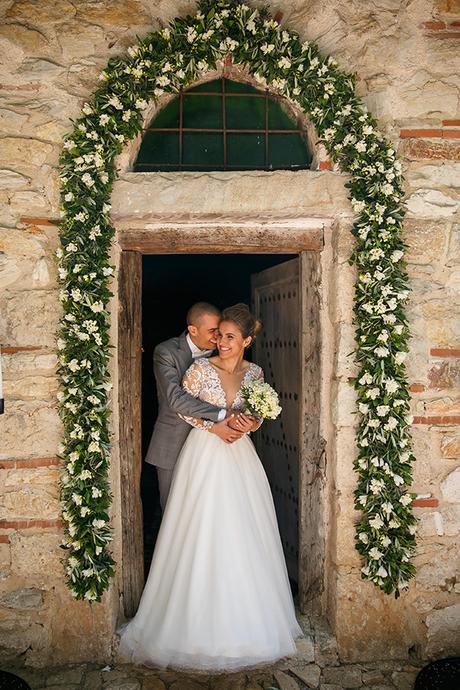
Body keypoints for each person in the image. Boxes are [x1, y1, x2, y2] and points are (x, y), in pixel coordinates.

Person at [119, 304, 302, 671]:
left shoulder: (256, 372)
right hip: (202, 453)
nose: (220, 341)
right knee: (194, 528)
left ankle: (246, 617)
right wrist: (215, 426)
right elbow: (182, 408)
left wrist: (250, 424)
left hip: (240, 457)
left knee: (241, 529)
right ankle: (187, 617)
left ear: (247, 341)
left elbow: (258, 410)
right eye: (218, 334)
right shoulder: (197, 367)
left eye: (229, 336)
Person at [144, 301, 251, 510]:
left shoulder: (222, 353)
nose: (217, 338)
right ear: (193, 330)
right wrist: (222, 414)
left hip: (213, 447)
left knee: (208, 510)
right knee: (173, 511)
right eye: (213, 331)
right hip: (173, 442)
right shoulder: (166, 352)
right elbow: (175, 399)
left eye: (219, 331)